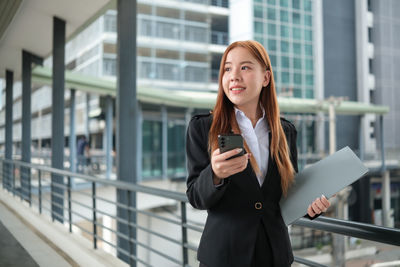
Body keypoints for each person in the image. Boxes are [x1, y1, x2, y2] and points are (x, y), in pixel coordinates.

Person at [186, 40, 330, 267]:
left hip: (274, 255)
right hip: (224, 257)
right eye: (227, 68)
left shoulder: (285, 131)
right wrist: (214, 174)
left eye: (245, 67)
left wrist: (310, 207)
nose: (234, 76)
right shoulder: (203, 128)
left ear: (265, 78)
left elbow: (286, 194)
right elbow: (195, 196)